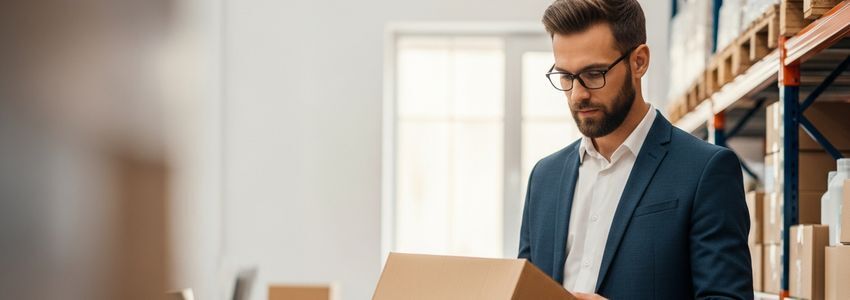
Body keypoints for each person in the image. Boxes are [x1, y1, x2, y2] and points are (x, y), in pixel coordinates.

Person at [517, 1, 753, 299]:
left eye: (594, 74)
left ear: (639, 61)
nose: (578, 94)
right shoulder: (544, 178)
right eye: (566, 77)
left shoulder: (705, 171)